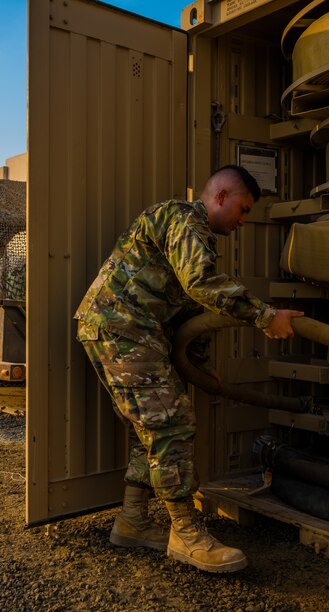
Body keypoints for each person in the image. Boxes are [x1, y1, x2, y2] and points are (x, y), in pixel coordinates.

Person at [74, 165, 304, 573]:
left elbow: (190, 311)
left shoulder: (194, 234)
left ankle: (132, 521)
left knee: (153, 427)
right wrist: (266, 316)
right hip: (121, 327)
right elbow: (200, 284)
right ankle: (185, 534)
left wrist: (198, 367)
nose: (243, 221)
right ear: (220, 196)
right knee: (171, 425)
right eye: (243, 209)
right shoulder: (183, 218)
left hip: (132, 331)